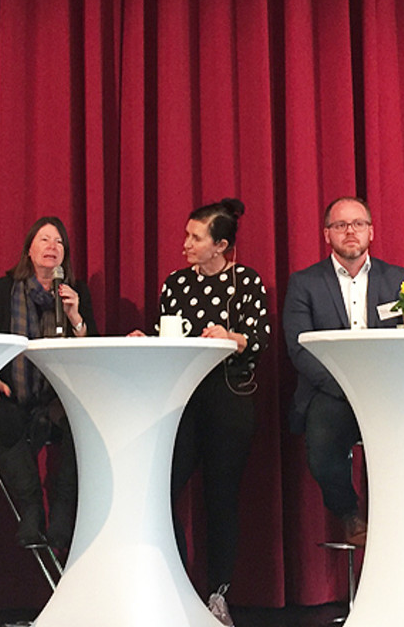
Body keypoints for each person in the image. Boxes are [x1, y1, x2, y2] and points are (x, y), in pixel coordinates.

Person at [155, 198, 269, 627]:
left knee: (221, 500)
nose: (186, 243)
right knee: (161, 491)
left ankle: (218, 594)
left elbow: (259, 340)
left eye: (195, 237)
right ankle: (175, 584)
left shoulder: (246, 282)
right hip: (182, 401)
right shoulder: (176, 283)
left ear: (220, 245)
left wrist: (231, 336)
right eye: (187, 235)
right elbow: (168, 331)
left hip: (228, 398)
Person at [282, 196, 404, 547]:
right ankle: (350, 514)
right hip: (329, 391)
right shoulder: (304, 283)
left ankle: (396, 521)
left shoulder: (398, 280)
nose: (350, 231)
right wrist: (346, 387)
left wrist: (376, 386)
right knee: (321, 453)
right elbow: (299, 348)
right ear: (326, 234)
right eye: (340, 225)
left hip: (385, 392)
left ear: (371, 231)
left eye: (358, 224)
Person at [0, 216, 97, 551]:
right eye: (44, 240)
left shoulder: (76, 292)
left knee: (84, 427)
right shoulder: (4, 290)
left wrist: (76, 318)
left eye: (59, 242)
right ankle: (31, 511)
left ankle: (62, 516)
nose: (52, 247)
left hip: (61, 399)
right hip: (14, 394)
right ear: (29, 249)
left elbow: (95, 353)